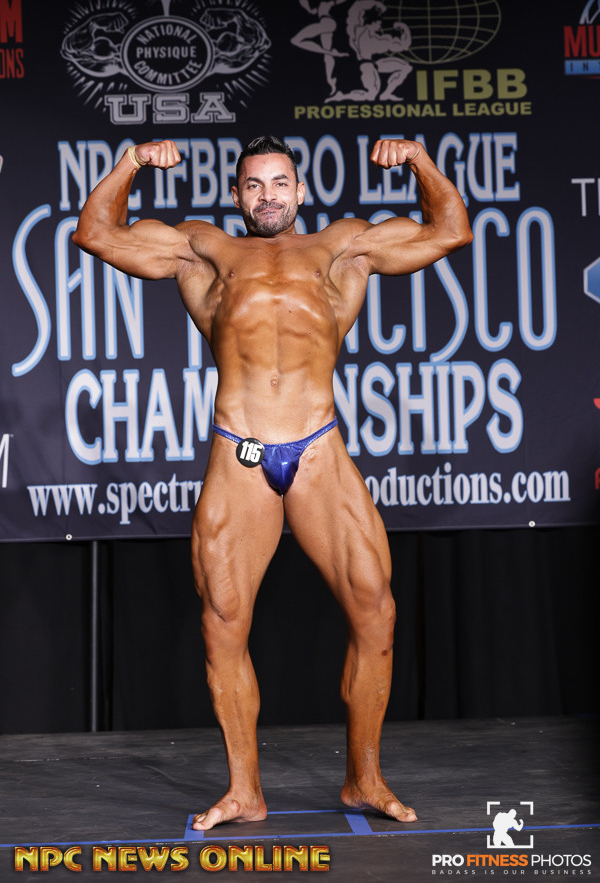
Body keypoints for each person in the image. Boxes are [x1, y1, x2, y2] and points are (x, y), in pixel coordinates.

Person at [73, 134, 472, 831]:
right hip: (240, 453)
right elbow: (95, 234)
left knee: (375, 611)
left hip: (319, 449)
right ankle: (244, 792)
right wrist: (132, 162)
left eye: (279, 183)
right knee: (223, 622)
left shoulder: (343, 247)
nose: (267, 196)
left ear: (300, 189)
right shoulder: (204, 249)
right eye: (254, 185)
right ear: (236, 195)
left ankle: (364, 778)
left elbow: (451, 231)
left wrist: (418, 159)